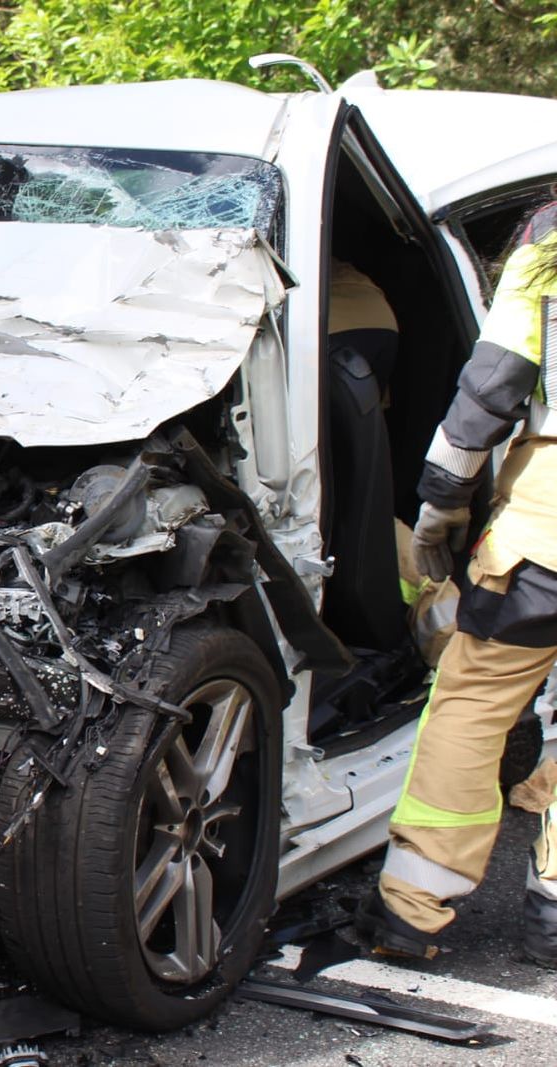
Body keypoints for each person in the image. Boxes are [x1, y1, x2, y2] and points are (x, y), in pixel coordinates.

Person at [355, 211, 557, 968]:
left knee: (472, 705)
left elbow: (490, 390)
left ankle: (413, 910)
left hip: (544, 537)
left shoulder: (551, 240)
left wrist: (442, 506)